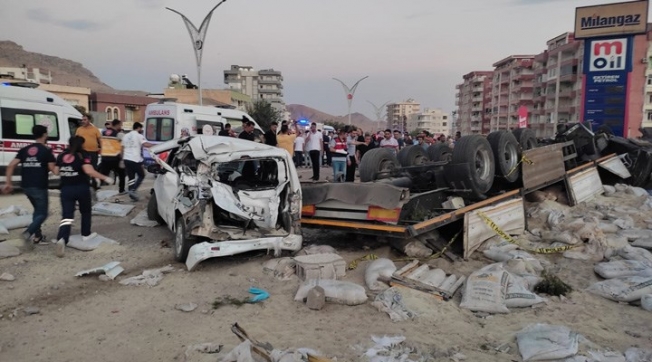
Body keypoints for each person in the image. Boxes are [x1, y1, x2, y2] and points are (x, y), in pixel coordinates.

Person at [52, 136, 114, 257]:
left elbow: (55, 171)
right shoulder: (82, 154)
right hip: (81, 188)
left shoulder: (61, 155)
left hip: (66, 189)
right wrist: (105, 178)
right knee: (85, 212)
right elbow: (89, 171)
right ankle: (86, 234)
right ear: (82, 144)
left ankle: (62, 238)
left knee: (67, 216)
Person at [1, 125, 56, 248]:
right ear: (45, 135)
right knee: (43, 213)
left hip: (26, 186)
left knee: (37, 211)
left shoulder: (25, 150)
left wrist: (8, 183)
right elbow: (52, 168)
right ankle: (28, 233)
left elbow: (11, 166)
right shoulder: (46, 151)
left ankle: (38, 237)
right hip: (39, 186)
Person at [122, 122, 154, 201]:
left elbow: (122, 148)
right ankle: (133, 190)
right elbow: (145, 144)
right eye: (141, 128)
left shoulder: (125, 136)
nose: (141, 130)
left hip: (126, 158)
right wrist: (155, 145)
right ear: (138, 128)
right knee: (141, 175)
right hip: (135, 159)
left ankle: (131, 193)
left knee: (131, 177)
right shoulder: (139, 136)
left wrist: (122, 158)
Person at [75, 113, 102, 192]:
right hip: (83, 152)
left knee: (93, 168)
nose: (83, 121)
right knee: (83, 169)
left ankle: (94, 185)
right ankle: (84, 184)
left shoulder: (95, 129)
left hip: (93, 152)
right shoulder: (79, 129)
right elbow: (76, 140)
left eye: (85, 119)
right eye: (82, 120)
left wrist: (102, 149)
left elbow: (100, 140)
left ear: (89, 120)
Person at [99, 119, 126, 194]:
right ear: (117, 125)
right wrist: (122, 159)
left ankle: (98, 188)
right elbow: (122, 147)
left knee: (103, 174)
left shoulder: (103, 133)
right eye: (120, 125)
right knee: (121, 174)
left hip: (104, 157)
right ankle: (121, 190)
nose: (121, 126)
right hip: (115, 157)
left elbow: (101, 144)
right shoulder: (119, 134)